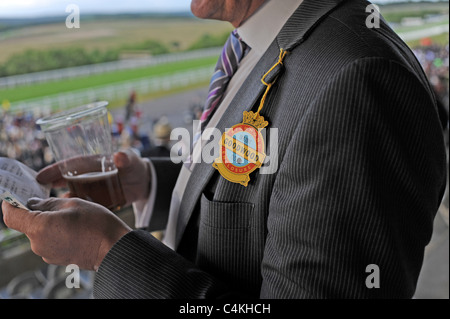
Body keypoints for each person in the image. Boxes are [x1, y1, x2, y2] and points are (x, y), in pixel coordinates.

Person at [2, 0, 448, 299]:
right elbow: (273, 178)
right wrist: (150, 182)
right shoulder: (265, 41)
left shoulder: (357, 77)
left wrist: (107, 249)